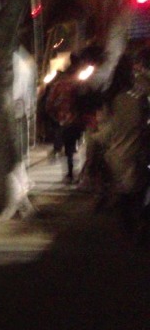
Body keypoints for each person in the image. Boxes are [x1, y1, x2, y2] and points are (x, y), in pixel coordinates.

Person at [90, 53, 150, 229]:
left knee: (126, 195)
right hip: (135, 152)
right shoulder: (138, 96)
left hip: (117, 153)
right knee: (135, 193)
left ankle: (126, 222)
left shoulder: (112, 96)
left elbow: (105, 128)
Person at [45, 46, 106, 182]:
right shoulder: (81, 83)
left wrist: (56, 117)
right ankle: (79, 172)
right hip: (80, 120)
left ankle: (70, 172)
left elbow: (50, 104)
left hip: (65, 120)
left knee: (69, 147)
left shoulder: (60, 84)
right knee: (79, 146)